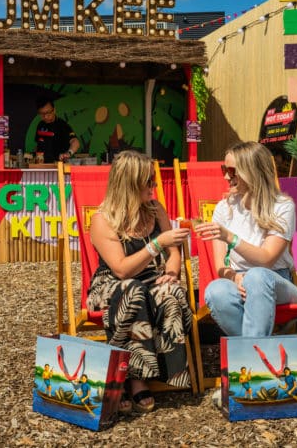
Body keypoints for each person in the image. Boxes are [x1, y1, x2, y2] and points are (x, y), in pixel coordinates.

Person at [87, 150, 192, 413]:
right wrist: (157, 244)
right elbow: (122, 270)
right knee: (133, 291)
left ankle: (167, 373)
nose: (154, 186)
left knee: (171, 293)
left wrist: (172, 273)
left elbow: (174, 252)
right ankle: (132, 378)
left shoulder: (156, 210)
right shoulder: (103, 220)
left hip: (151, 279)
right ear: (129, 184)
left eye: (154, 179)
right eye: (149, 181)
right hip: (113, 285)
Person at [196, 141, 297, 338]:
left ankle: (250, 358)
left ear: (251, 171)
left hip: (275, 280)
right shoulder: (223, 209)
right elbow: (220, 266)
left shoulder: (282, 206)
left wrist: (230, 237)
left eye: (232, 171)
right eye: (224, 169)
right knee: (215, 290)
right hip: (238, 280)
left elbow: (267, 259)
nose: (226, 176)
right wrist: (234, 278)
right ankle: (255, 354)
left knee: (257, 277)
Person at [34, 97, 80, 163]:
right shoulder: (40, 125)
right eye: (42, 114)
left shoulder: (62, 125)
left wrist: (68, 153)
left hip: (58, 165)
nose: (45, 116)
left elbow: (75, 142)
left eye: (48, 113)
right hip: (43, 165)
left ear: (54, 110)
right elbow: (38, 144)